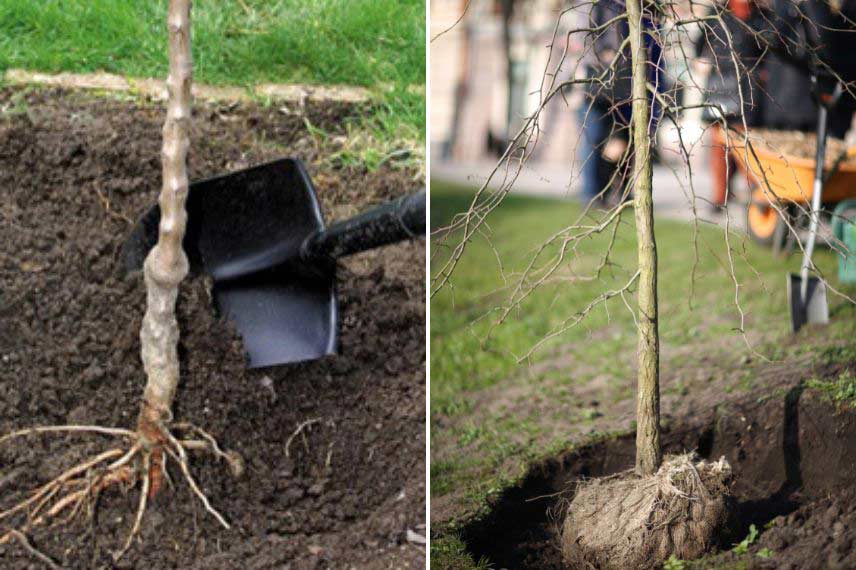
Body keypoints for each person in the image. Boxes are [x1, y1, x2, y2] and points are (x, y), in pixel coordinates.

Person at [577, 0, 663, 207]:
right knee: (595, 138)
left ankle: (622, 193)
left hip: (630, 85)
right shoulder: (600, 4)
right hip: (601, 84)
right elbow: (586, 35)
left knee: (629, 140)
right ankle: (593, 194)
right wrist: (604, 54)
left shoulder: (647, 7)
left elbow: (655, 48)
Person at [694, 0, 767, 209]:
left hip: (746, 85)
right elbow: (699, 44)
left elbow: (766, 48)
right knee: (719, 146)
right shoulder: (716, 13)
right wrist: (701, 60)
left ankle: (755, 193)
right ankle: (720, 195)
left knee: (743, 141)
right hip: (719, 85)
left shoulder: (759, 15)